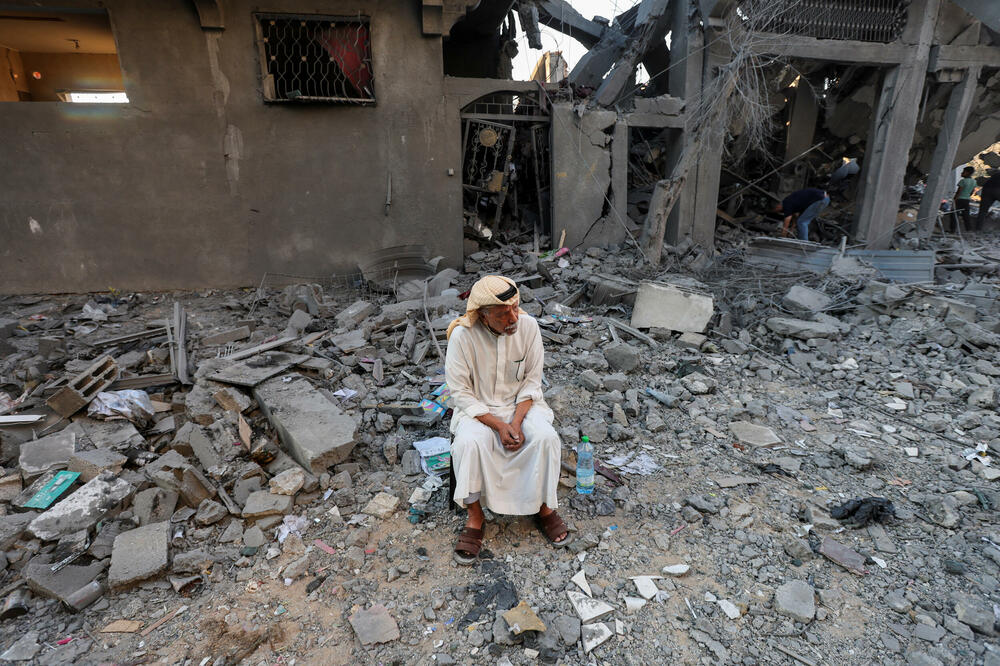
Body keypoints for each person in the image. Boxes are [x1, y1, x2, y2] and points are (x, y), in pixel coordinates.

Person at [445, 275, 572, 565]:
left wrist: (515, 423)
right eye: (503, 314)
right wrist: (499, 425)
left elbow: (532, 382)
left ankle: (544, 509)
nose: (513, 317)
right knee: (469, 444)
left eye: (515, 308)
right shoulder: (462, 337)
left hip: (521, 406)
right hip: (479, 410)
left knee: (545, 438)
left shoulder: (528, 327)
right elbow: (461, 394)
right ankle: (475, 517)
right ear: (483, 315)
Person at [953, 166, 977, 232]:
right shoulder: (974, 181)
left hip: (959, 200)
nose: (961, 173)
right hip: (967, 200)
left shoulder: (963, 181)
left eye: (963, 172)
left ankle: (952, 230)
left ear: (967, 173)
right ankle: (968, 230)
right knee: (966, 216)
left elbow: (959, 191)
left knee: (954, 214)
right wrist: (967, 196)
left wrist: (954, 199)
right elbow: (972, 191)